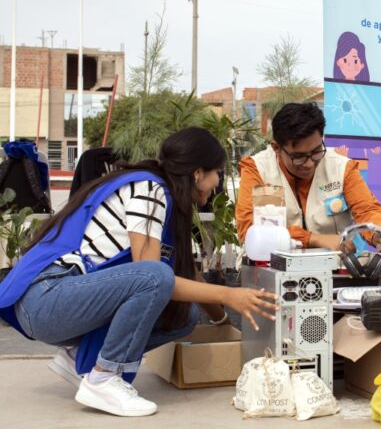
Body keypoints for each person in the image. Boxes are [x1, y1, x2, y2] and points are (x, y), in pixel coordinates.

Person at [0, 127, 279, 417]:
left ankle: (77, 359)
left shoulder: (166, 199)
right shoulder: (150, 189)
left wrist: (222, 320)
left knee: (183, 316)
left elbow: (187, 275)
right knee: (154, 275)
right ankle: (104, 377)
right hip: (47, 299)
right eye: (217, 173)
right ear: (198, 173)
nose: (217, 182)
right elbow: (150, 275)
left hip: (66, 299)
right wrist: (230, 294)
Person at [236, 102, 381, 274]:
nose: (309, 164)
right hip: (270, 273)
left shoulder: (341, 168)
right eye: (298, 157)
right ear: (276, 148)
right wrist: (314, 240)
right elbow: (252, 230)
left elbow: (367, 210)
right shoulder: (259, 170)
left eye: (316, 151)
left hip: (333, 273)